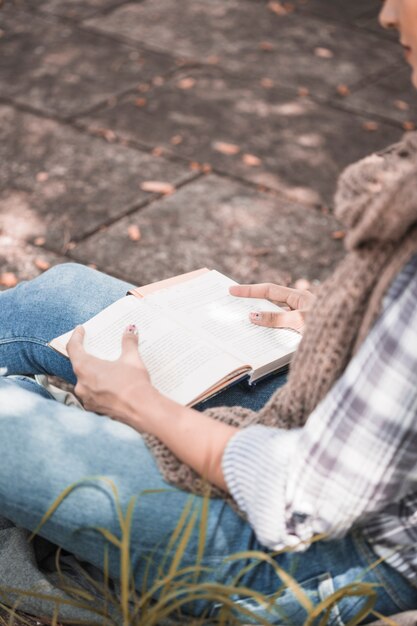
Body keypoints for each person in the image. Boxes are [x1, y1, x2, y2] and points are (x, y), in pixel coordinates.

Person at [0, 0, 417, 623]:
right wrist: (349, 326)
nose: (385, 13)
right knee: (60, 291)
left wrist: (140, 407)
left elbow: (300, 501)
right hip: (331, 440)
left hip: (323, 556)